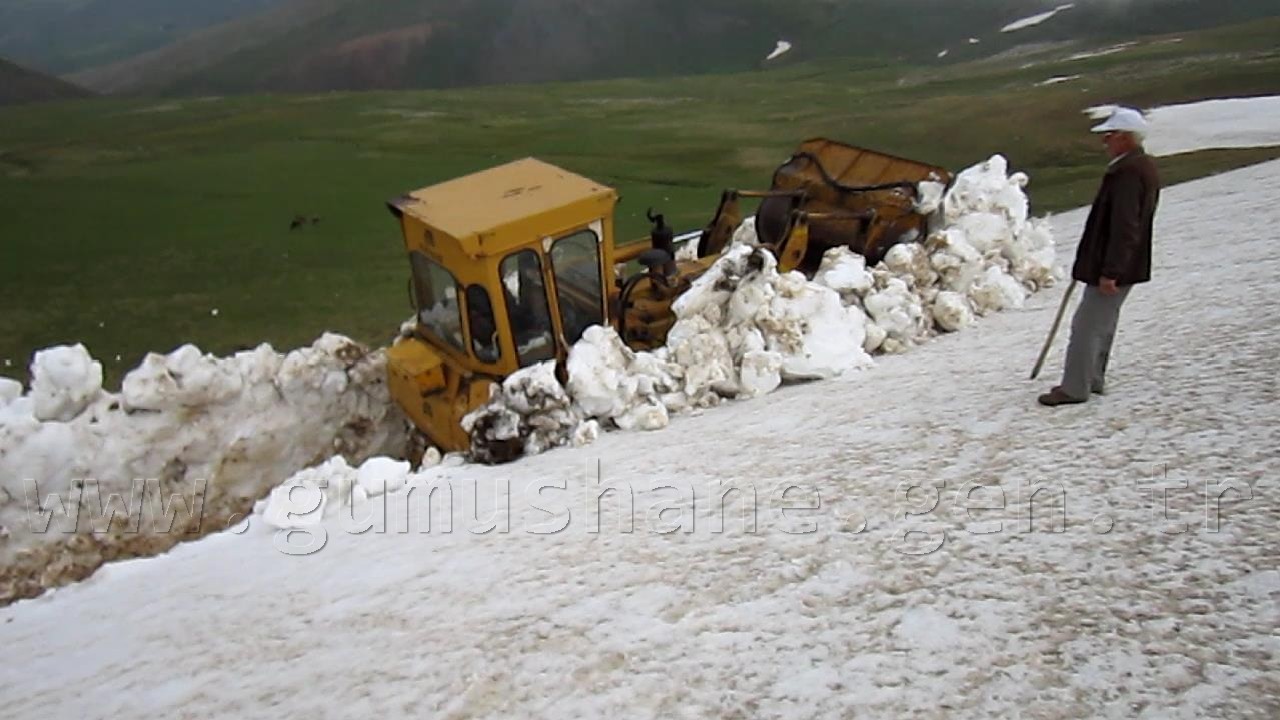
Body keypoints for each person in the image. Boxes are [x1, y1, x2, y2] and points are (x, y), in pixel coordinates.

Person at [1039, 107, 1160, 407]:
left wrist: (1111, 271)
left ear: (1125, 137)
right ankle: (1092, 379)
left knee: (1087, 325)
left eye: (1109, 136)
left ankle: (1075, 388)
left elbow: (1125, 226)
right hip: (1121, 265)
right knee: (1102, 323)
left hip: (1114, 267)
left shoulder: (1128, 173)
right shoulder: (1137, 167)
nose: (1105, 142)